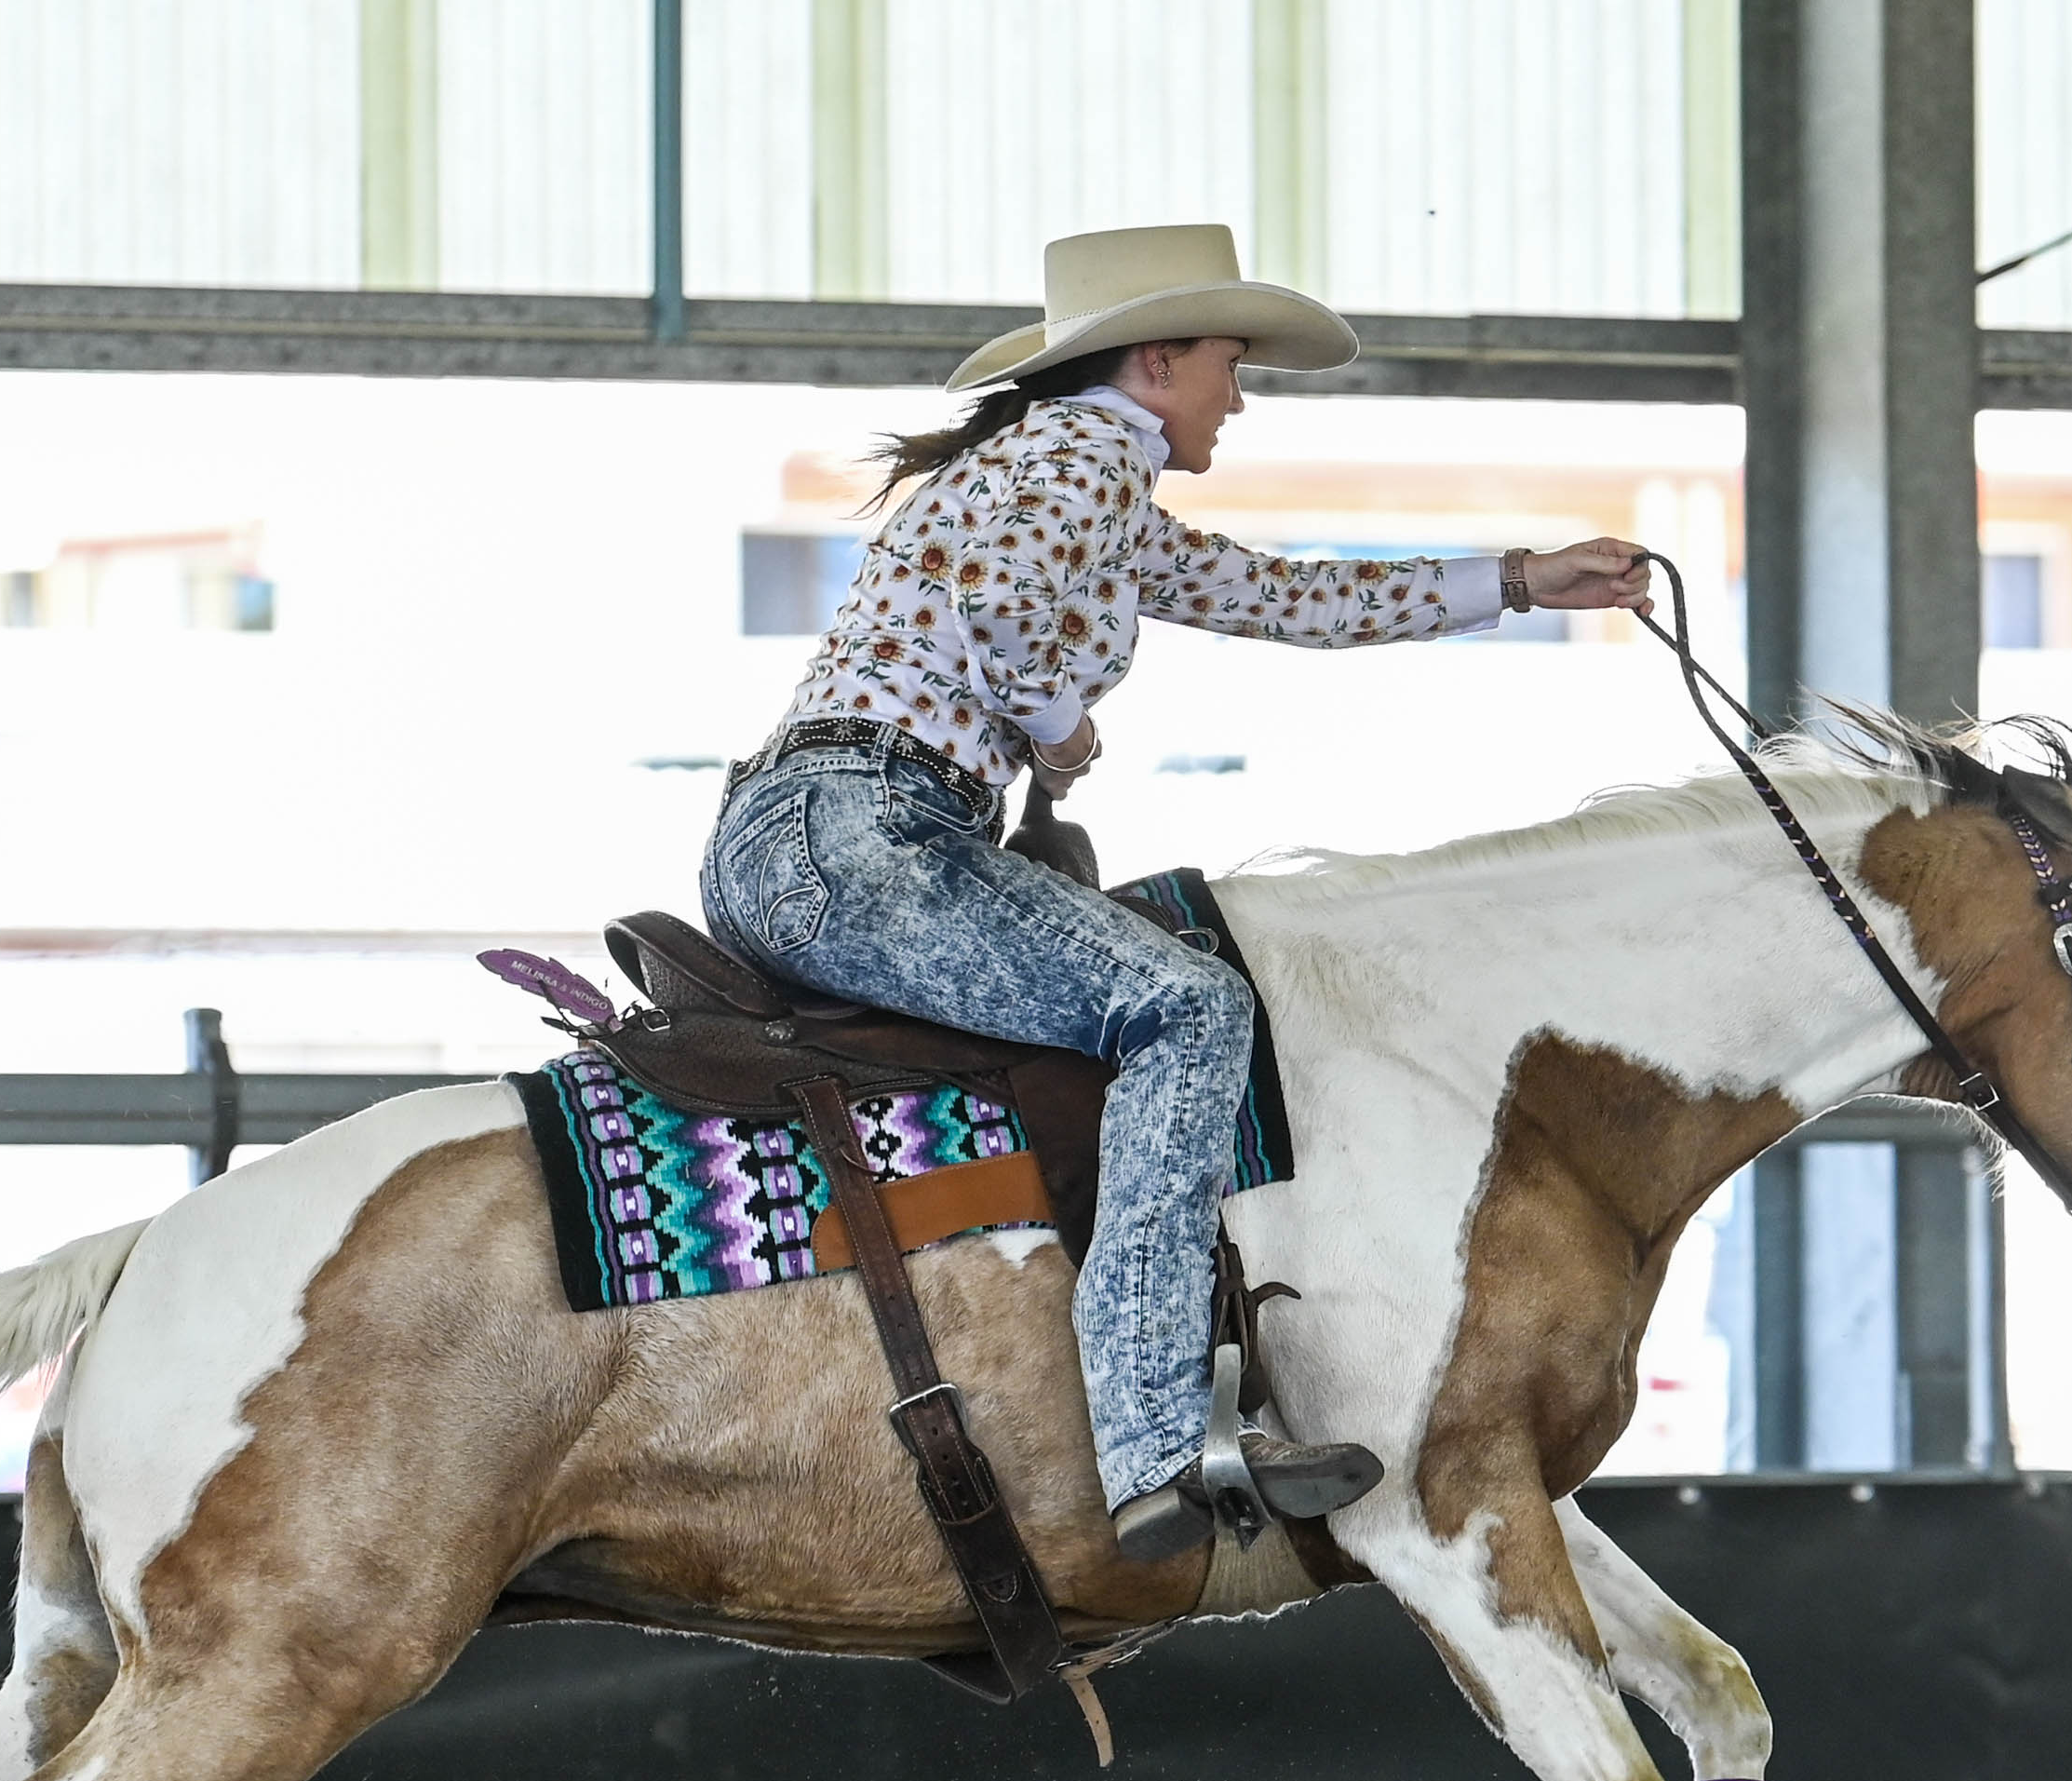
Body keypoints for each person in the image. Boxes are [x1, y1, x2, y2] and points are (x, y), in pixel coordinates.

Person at [700, 223, 1654, 1561]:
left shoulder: (1086, 484)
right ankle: (1146, 1439)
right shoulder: (1078, 456)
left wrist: (1511, 580)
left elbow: (1285, 597)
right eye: (1226, 365)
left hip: (825, 832)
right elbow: (1001, 610)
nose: (1239, 396)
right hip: (858, 832)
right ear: (1154, 361)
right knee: (1188, 1006)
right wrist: (1054, 729)